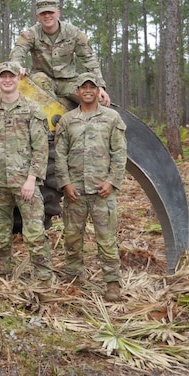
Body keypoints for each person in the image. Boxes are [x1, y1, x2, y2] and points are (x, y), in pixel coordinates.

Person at [54, 72, 127, 301]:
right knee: (73, 239)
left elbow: (119, 153)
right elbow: (59, 155)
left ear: (98, 91)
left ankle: (112, 283)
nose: (87, 90)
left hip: (102, 192)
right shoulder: (67, 121)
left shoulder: (112, 118)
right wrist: (65, 184)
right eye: (83, 87)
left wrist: (112, 182)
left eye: (92, 87)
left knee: (106, 240)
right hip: (75, 192)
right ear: (77, 91)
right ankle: (74, 278)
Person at [0, 62, 52, 282]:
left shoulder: (32, 110)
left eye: (11, 76)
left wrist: (32, 180)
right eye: (3, 76)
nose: (7, 80)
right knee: (0, 234)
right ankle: (2, 275)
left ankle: (42, 278)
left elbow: (41, 148)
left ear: (18, 79)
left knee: (35, 233)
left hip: (25, 183)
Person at [9, 0, 111, 107]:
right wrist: (17, 66)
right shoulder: (31, 34)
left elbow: (89, 59)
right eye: (43, 13)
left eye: (50, 12)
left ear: (58, 13)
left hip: (69, 81)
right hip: (43, 81)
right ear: (37, 16)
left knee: (99, 101)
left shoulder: (73, 33)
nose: (47, 16)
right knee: (39, 80)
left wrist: (99, 86)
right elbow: (18, 52)